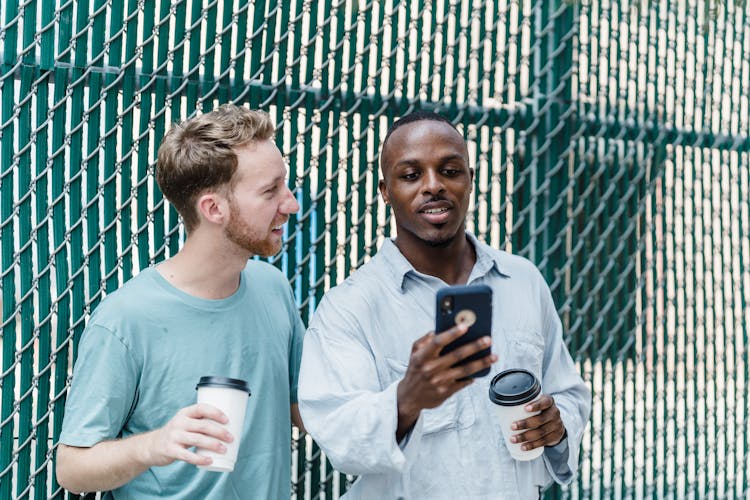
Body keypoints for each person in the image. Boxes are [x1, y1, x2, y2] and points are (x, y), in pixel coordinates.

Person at [298, 112, 591, 499]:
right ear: (386, 191)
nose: (433, 186)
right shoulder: (350, 307)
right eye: (411, 175)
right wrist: (406, 399)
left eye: (450, 170)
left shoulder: (522, 281)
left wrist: (557, 425)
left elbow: (568, 392)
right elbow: (340, 437)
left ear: (470, 178)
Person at [56, 104, 305, 499]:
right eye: (270, 191)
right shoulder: (126, 320)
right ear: (213, 209)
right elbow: (72, 468)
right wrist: (155, 445)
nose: (290, 204)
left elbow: (305, 409)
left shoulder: (273, 289)